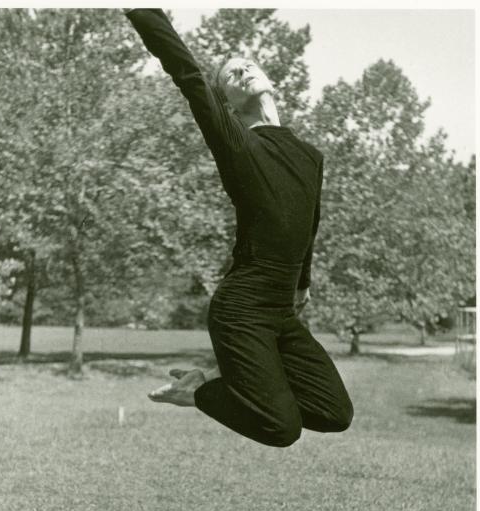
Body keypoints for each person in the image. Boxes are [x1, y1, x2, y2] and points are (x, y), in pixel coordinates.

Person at [124, 9, 353, 447]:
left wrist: (302, 283)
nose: (243, 70)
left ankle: (224, 380)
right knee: (280, 428)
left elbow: (310, 221)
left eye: (248, 64)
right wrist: (141, 11)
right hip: (241, 310)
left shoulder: (311, 156)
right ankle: (199, 391)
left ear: (267, 77)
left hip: (281, 312)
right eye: (230, 74)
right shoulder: (237, 144)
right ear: (225, 98)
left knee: (334, 412)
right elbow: (188, 73)